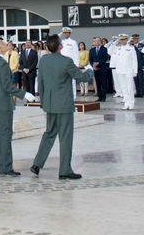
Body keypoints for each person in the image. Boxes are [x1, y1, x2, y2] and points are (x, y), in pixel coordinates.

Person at [29, 34, 93, 179]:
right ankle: (65, 170)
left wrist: (44, 102)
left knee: (49, 133)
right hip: (64, 105)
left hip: (50, 103)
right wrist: (89, 70)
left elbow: (41, 82)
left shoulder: (44, 60)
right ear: (60, 46)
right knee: (65, 137)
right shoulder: (67, 61)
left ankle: (37, 164)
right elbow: (81, 77)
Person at [0, 39, 28, 176]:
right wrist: (24, 94)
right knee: (5, 134)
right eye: (3, 43)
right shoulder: (2, 64)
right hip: (4, 103)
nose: (6, 44)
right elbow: (7, 86)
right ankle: (6, 166)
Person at [110, 34, 137, 110]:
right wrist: (115, 43)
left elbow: (134, 60)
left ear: (126, 39)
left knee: (130, 88)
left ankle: (131, 103)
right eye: (121, 39)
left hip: (129, 71)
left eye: (124, 39)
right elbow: (109, 51)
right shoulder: (118, 48)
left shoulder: (131, 48)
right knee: (124, 88)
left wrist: (135, 71)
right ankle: (126, 103)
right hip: (120, 71)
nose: (122, 41)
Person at [59, 26, 80, 98]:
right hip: (62, 64)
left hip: (71, 65)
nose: (65, 34)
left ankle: (73, 96)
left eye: (67, 33)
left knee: (72, 81)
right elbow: (55, 39)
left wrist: (76, 65)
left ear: (70, 33)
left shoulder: (73, 42)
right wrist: (60, 34)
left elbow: (76, 54)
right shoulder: (61, 42)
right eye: (64, 33)